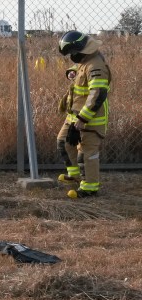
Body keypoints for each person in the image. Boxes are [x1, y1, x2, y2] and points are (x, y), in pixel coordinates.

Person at [56, 30, 112, 198]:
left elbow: (99, 94)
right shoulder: (85, 59)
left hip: (90, 118)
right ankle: (75, 176)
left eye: (72, 53)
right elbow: (78, 68)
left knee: (86, 152)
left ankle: (89, 187)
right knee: (63, 142)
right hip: (74, 114)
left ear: (81, 49)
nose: (72, 57)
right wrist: (70, 72)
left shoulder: (96, 66)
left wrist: (83, 118)